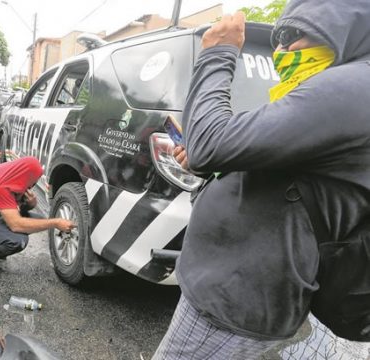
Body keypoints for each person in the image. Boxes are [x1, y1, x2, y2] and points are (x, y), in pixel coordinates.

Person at [153, 1, 370, 358]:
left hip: (233, 301)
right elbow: (284, 171)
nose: (281, 50)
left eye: (294, 36)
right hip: (230, 290)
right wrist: (208, 162)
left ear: (342, 29)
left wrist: (218, 53)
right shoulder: (337, 89)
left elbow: (210, 144)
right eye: (279, 39)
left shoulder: (354, 88)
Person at [0, 157, 75, 281]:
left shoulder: (13, 173)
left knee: (38, 220)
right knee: (18, 240)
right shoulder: (2, 186)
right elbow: (16, 225)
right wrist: (55, 222)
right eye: (33, 183)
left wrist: (30, 204)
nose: (31, 187)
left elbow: (16, 209)